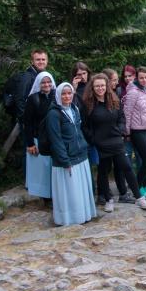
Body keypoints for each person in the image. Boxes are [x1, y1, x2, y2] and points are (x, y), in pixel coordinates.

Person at [82, 74, 146, 213]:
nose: (100, 88)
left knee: (127, 167)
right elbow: (84, 126)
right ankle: (108, 200)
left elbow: (121, 118)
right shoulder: (88, 105)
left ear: (107, 86)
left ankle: (139, 197)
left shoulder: (114, 100)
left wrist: (120, 130)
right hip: (101, 143)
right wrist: (93, 139)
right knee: (103, 171)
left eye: (102, 85)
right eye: (97, 86)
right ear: (92, 88)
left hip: (116, 140)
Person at [47, 83, 96, 226]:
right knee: (70, 192)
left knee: (81, 190)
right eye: (63, 94)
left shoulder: (74, 109)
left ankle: (84, 215)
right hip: (67, 159)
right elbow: (55, 140)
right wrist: (64, 160)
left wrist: (84, 147)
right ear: (58, 95)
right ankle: (70, 219)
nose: (67, 96)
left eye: (69, 93)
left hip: (80, 155)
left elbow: (79, 131)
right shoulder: (53, 114)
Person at [123, 67, 146, 199]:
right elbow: (127, 113)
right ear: (137, 78)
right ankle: (137, 187)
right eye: (141, 77)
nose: (144, 80)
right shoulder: (133, 92)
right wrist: (127, 133)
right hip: (138, 131)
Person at [22, 71, 56, 201]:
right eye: (43, 82)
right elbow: (27, 123)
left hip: (54, 139)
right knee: (42, 171)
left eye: (49, 82)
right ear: (38, 84)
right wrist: (30, 143)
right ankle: (45, 198)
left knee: (54, 169)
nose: (46, 85)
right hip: (39, 139)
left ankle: (55, 196)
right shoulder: (33, 99)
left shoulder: (57, 95)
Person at [15, 49, 49, 124]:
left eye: (43, 59)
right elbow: (20, 99)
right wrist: (24, 120)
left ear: (47, 61)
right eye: (38, 60)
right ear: (32, 62)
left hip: (39, 119)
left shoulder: (43, 75)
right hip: (30, 122)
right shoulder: (27, 77)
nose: (41, 62)